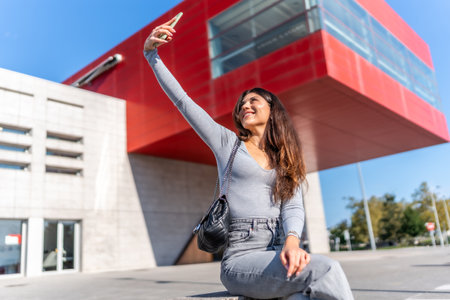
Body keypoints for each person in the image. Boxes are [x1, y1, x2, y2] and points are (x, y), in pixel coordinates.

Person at [143, 16, 354, 300]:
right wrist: (151, 54)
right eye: (243, 102)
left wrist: (292, 243)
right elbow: (183, 101)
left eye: (254, 100)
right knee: (326, 271)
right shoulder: (227, 143)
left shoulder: (284, 159)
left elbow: (293, 208)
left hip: (279, 251)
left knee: (304, 296)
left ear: (272, 110)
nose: (245, 104)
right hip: (241, 259)